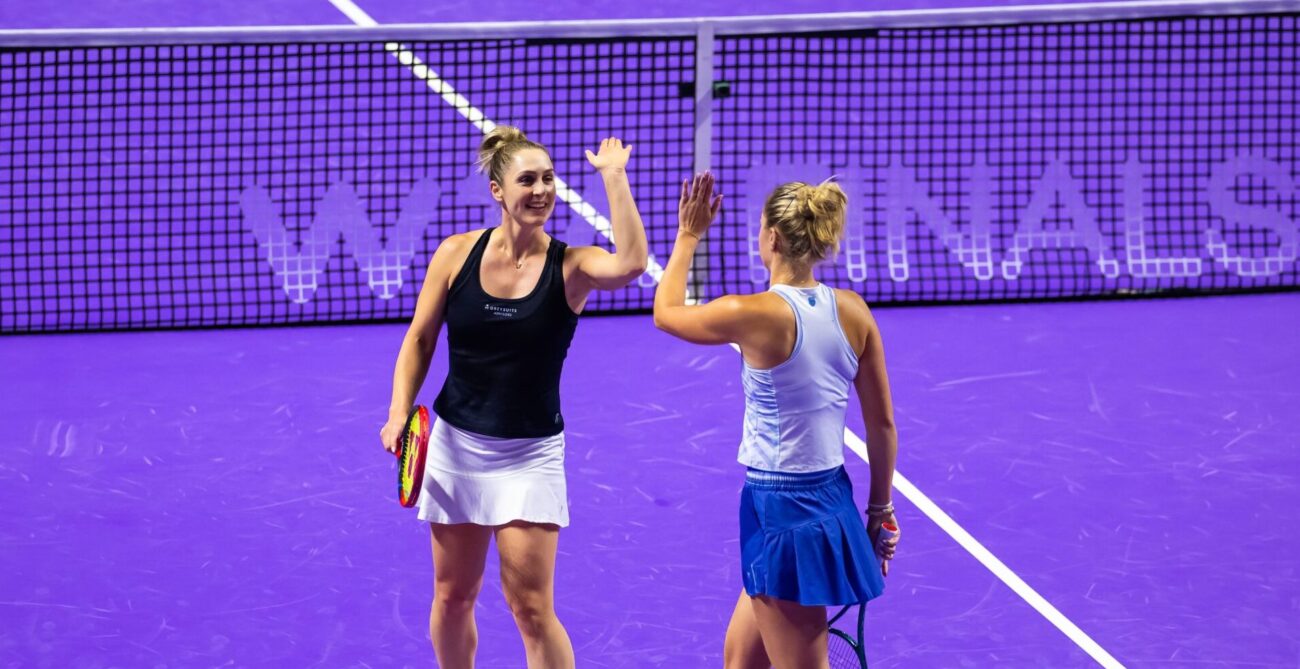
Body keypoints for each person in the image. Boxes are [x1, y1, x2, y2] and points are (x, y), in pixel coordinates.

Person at [379, 126, 648, 668]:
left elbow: (632, 265)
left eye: (548, 178)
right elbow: (420, 339)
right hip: (454, 448)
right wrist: (397, 411)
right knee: (454, 597)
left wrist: (614, 179)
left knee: (530, 608)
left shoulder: (572, 267)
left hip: (530, 457)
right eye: (527, 180)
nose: (542, 190)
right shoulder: (456, 253)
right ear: (498, 191)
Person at [653, 173, 899, 669]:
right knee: (741, 661)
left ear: (773, 239)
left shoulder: (754, 313)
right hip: (831, 497)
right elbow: (883, 427)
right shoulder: (854, 310)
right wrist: (880, 512)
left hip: (785, 511)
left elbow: (666, 311)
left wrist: (689, 233)